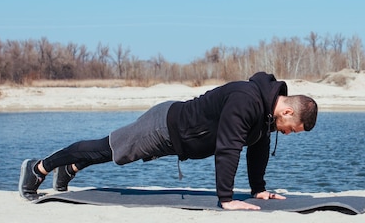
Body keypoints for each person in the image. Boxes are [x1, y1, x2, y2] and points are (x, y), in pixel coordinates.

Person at [19, 72, 318, 210]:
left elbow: (257, 147)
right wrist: (226, 200)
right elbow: (228, 147)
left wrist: (258, 189)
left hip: (178, 137)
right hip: (163, 126)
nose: (289, 134)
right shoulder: (246, 101)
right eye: (293, 129)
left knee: (115, 153)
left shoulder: (266, 115)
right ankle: (39, 168)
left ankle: (70, 168)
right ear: (288, 110)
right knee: (110, 149)